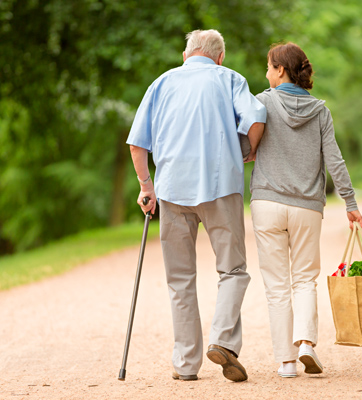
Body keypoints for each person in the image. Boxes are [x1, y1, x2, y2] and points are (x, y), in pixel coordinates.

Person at [126, 29, 266, 382]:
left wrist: (147, 186)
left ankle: (186, 365)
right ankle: (222, 340)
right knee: (233, 270)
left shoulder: (161, 83)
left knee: (180, 279)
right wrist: (246, 152)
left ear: (186, 54)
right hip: (220, 187)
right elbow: (256, 119)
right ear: (219, 57)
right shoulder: (230, 79)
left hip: (172, 190)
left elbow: (137, 144)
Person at [249, 42, 362, 378]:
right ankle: (307, 345)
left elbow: (245, 146)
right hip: (307, 208)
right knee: (304, 280)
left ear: (281, 70)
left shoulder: (262, 103)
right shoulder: (321, 111)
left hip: (267, 203)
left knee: (276, 284)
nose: (267, 73)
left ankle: (285, 362)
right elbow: (335, 161)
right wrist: (351, 203)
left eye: (269, 67)